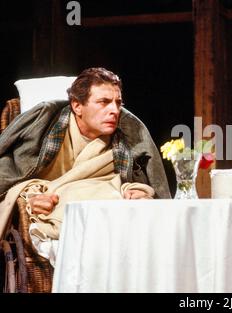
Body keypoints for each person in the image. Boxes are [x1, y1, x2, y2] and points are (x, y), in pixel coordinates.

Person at [0, 68, 170, 260]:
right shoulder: (44, 123)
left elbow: (142, 182)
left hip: (107, 210)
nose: (115, 110)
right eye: (103, 102)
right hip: (55, 204)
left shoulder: (129, 133)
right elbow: (10, 171)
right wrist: (29, 196)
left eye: (118, 102)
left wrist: (137, 190)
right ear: (77, 106)